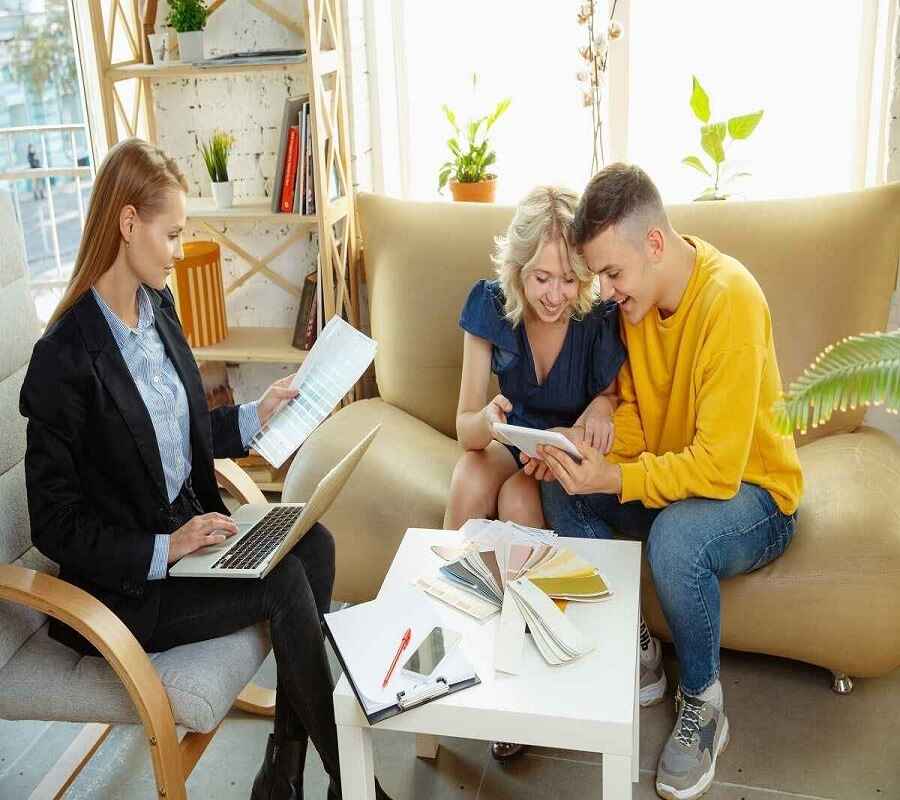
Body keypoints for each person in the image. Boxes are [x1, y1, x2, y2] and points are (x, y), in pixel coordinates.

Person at [19, 138, 392, 800]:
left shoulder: (157, 310)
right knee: (284, 587)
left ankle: (283, 767)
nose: (176, 250)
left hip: (192, 541)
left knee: (317, 544)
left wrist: (254, 417)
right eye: (171, 234)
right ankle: (351, 783)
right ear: (128, 223)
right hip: (127, 588)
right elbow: (55, 524)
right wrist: (166, 548)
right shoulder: (63, 359)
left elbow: (180, 438)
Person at [527, 164, 803, 800]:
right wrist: (578, 447)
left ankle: (704, 701)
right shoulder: (638, 304)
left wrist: (617, 476)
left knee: (677, 537)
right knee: (562, 484)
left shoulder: (730, 298)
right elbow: (643, 421)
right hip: (681, 482)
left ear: (654, 244)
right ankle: (640, 651)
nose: (605, 290)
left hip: (755, 496)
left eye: (612, 273)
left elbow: (716, 467)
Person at [445, 185, 626, 535]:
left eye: (569, 280)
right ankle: (453, 586)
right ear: (518, 268)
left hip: (561, 455)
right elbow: (466, 428)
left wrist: (604, 406)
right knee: (469, 475)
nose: (555, 296)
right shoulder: (490, 305)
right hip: (512, 442)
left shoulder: (597, 318)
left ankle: (527, 591)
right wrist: (487, 421)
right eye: (542, 278)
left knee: (517, 498)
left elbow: (613, 397)